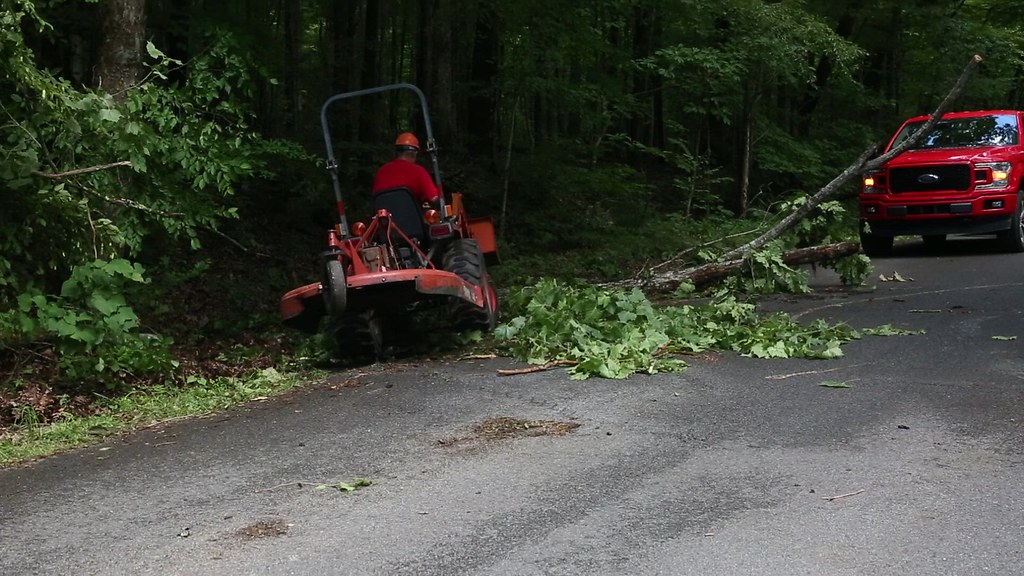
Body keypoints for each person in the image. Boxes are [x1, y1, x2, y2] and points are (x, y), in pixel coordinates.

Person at [371, 132, 440, 205]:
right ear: (415, 153)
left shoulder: (381, 171)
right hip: (410, 216)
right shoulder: (419, 172)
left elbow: (375, 198)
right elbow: (434, 198)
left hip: (384, 215)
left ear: (397, 152)